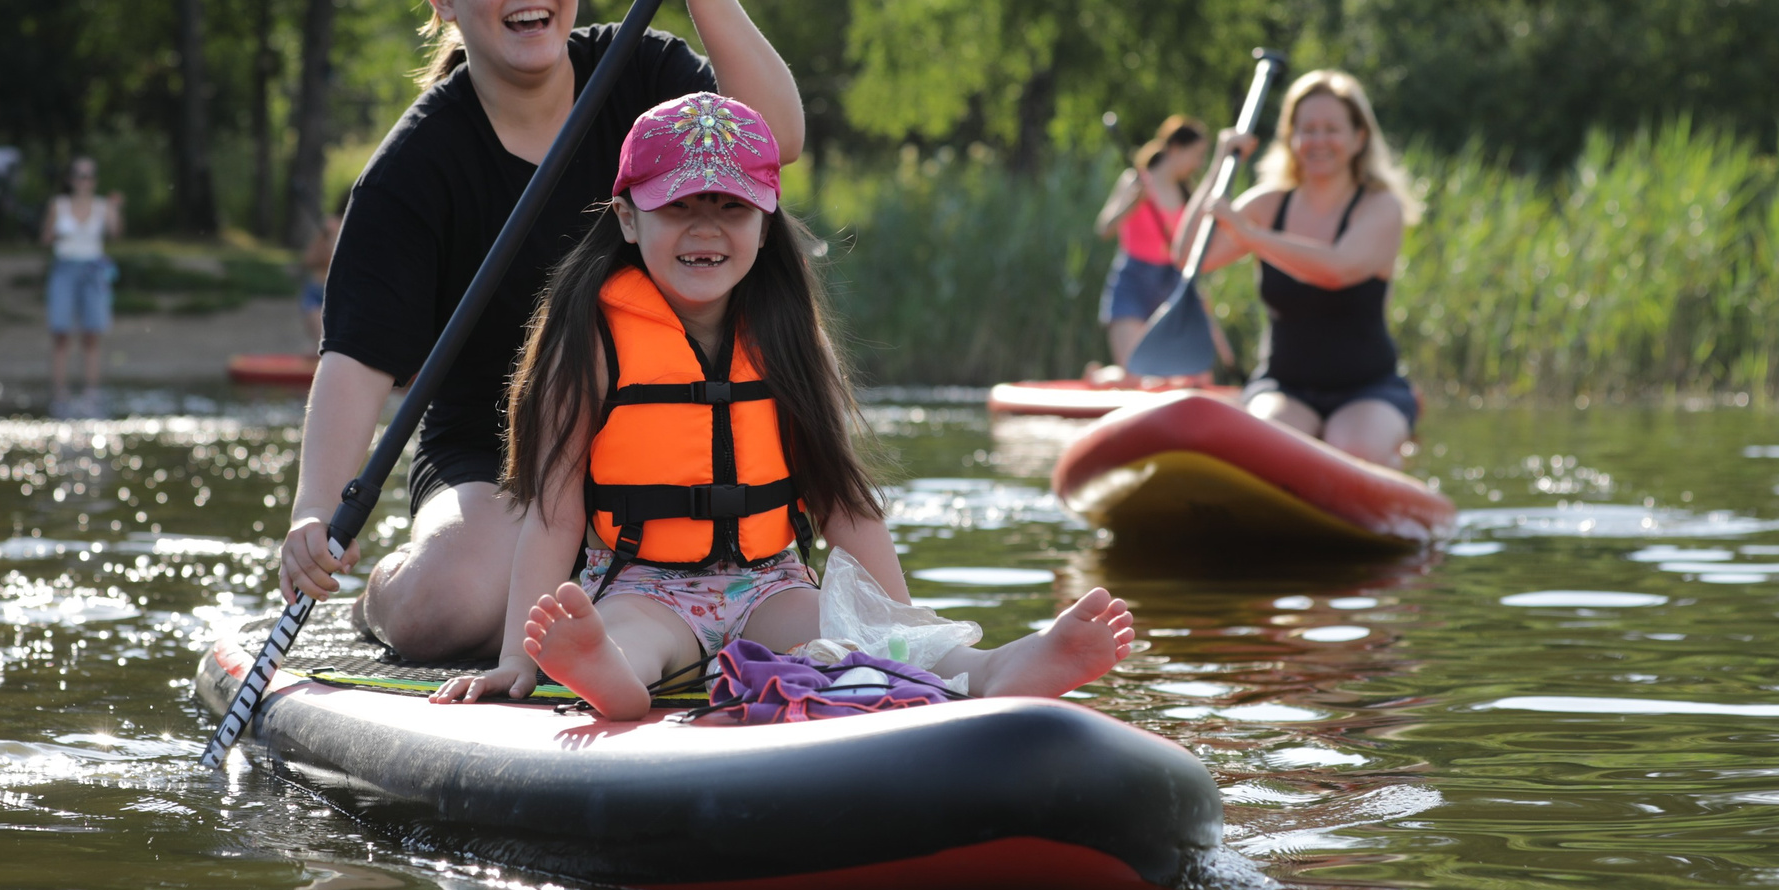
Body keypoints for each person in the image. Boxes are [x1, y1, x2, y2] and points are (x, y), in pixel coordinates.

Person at [408, 94, 1134, 718]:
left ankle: (997, 669)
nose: (705, 229)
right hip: (645, 583)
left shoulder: (788, 337)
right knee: (627, 635)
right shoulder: (590, 335)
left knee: (860, 639)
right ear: (629, 220)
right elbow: (554, 507)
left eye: (731, 208)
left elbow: (846, 506)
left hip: (771, 582)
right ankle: (611, 679)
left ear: (766, 219)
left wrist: (904, 630)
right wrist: (516, 658)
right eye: (679, 207)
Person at [281, 0, 807, 663]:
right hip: (498, 458)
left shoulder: (646, 71)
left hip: (659, 432)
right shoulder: (411, 169)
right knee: (452, 605)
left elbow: (778, 139)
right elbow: (357, 355)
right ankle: (385, 596)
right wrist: (314, 512)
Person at [1181, 69, 1422, 468]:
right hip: (1285, 388)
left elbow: (1337, 270)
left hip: (1368, 388)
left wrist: (1252, 237)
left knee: (1352, 450)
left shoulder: (1381, 208)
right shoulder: (1269, 204)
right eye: (1307, 129)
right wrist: (1218, 170)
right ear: (1291, 138)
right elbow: (1191, 256)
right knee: (1268, 448)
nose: (1318, 140)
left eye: (1332, 129)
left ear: (1359, 138)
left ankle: (1392, 451)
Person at [1092, 114, 1233, 371]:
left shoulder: (1188, 193)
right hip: (1134, 278)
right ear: (1176, 149)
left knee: (1179, 371)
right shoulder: (1135, 181)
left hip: (1172, 280)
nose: (1198, 163)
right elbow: (1104, 228)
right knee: (1134, 370)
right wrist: (1131, 205)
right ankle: (1102, 376)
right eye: (1196, 154)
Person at [40, 156, 122, 401]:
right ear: (70, 179)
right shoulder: (58, 205)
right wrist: (58, 234)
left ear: (94, 180)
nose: (83, 181)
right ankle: (59, 391)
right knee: (61, 333)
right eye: (79, 175)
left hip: (93, 271)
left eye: (88, 176)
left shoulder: (103, 206)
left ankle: (91, 391)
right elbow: (45, 238)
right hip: (64, 268)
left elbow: (116, 234)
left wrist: (116, 209)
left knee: (91, 335)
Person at [299, 193, 344, 346]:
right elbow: (308, 260)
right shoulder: (329, 227)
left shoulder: (360, 229)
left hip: (342, 295)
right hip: (317, 293)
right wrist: (326, 237)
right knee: (323, 344)